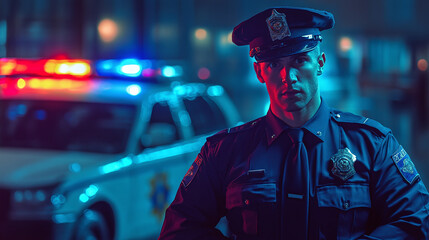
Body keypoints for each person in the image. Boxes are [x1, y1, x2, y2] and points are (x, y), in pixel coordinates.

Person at [159, 6, 429, 240]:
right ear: (259, 72)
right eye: (274, 64)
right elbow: (179, 229)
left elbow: (415, 222)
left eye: (300, 60)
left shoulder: (372, 144)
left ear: (320, 62)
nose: (288, 76)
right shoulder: (225, 152)